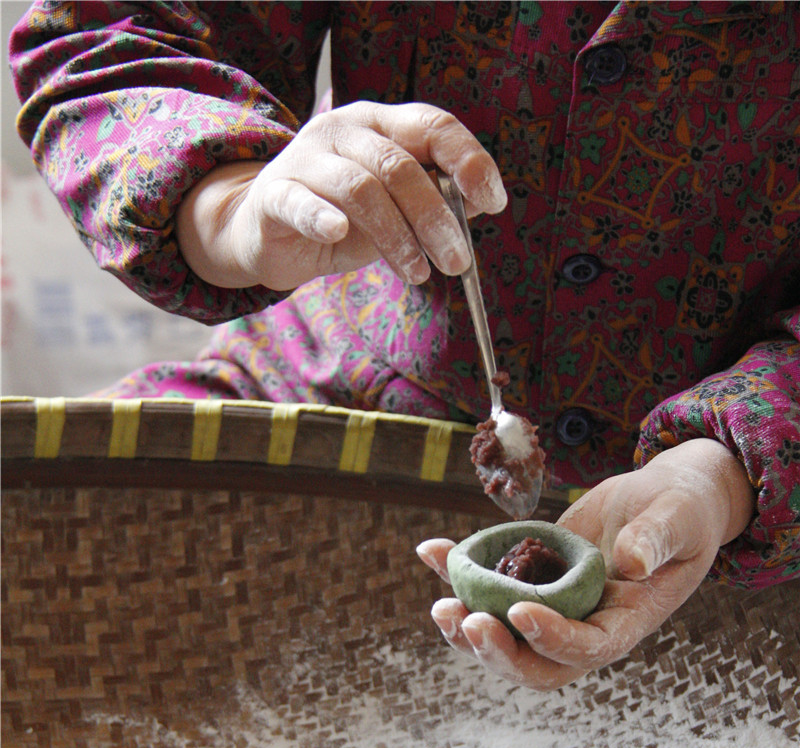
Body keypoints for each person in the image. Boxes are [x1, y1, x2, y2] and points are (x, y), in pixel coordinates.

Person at [9, 1, 800, 691]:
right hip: (318, 386)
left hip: (747, 510)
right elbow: (110, 27)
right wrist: (231, 209)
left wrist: (723, 472)